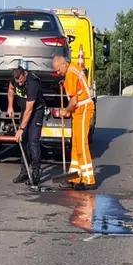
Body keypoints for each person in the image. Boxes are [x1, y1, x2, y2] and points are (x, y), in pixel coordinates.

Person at [52, 55, 96, 189]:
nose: (58, 73)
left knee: (81, 144)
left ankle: (89, 179)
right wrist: (64, 83)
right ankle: (75, 177)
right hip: (80, 109)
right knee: (75, 144)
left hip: (82, 108)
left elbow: (74, 101)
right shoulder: (73, 68)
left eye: (58, 70)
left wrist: (65, 111)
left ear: (64, 64)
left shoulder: (70, 74)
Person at [7, 66, 46, 184]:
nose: (20, 83)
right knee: (23, 141)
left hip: (36, 111)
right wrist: (10, 106)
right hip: (25, 110)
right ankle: (24, 172)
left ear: (25, 74)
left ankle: (35, 174)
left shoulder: (33, 83)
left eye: (21, 81)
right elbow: (10, 89)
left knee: (33, 140)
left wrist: (21, 129)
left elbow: (30, 109)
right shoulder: (15, 78)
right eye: (18, 81)